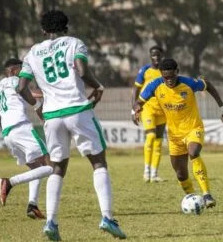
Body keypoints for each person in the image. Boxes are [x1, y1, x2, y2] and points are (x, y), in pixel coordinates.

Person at [17, 10, 126, 240]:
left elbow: (20, 87)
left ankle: (51, 223)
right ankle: (107, 217)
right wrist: (99, 87)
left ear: (44, 30)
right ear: (66, 27)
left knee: (57, 168)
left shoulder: (33, 52)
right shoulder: (75, 43)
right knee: (98, 162)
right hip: (77, 109)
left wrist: (38, 106)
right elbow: (83, 71)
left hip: (52, 116)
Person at [133, 58, 223, 208]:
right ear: (161, 74)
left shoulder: (189, 83)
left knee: (193, 152)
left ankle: (207, 195)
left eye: (172, 77)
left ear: (177, 72)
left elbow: (208, 85)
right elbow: (139, 101)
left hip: (193, 129)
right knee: (180, 174)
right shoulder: (154, 86)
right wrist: (137, 109)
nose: (169, 80)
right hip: (174, 136)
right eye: (165, 77)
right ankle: (193, 199)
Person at [0, 58, 52, 219]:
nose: (24, 74)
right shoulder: (14, 80)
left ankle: (32, 206)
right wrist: (49, 92)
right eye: (22, 70)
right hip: (22, 128)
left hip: (8, 134)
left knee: (36, 169)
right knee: (51, 166)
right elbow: (26, 92)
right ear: (14, 71)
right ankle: (8, 182)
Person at [131, 46, 166, 183]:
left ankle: (154, 174)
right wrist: (134, 110)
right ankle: (146, 171)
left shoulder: (164, 71)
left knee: (158, 142)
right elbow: (135, 89)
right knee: (150, 136)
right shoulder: (145, 70)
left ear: (161, 56)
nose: (156, 57)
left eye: (158, 55)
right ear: (150, 56)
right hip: (147, 108)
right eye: (153, 55)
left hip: (162, 110)